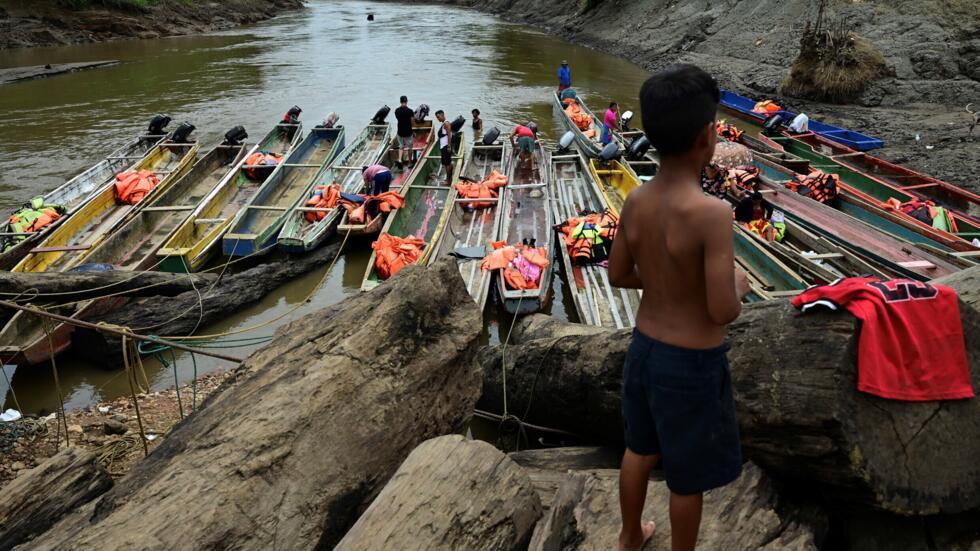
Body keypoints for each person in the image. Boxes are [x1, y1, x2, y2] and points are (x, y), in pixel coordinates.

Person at [608, 64, 749, 551]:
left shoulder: (637, 199)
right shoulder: (714, 213)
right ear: (708, 138)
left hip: (644, 350)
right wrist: (740, 283)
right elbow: (721, 310)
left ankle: (630, 536)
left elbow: (619, 274)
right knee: (687, 478)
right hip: (692, 364)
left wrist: (666, 282)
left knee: (638, 449)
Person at [394, 96, 414, 169]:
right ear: (407, 101)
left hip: (400, 131)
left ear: (400, 101)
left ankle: (400, 160)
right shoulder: (410, 111)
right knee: (410, 147)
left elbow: (398, 118)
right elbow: (412, 122)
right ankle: (409, 163)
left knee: (401, 146)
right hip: (408, 132)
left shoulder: (397, 110)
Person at [435, 110, 454, 187]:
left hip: (446, 146)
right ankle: (448, 178)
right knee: (447, 164)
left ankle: (449, 180)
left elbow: (449, 135)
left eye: (438, 117)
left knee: (447, 164)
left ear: (442, 115)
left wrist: (449, 146)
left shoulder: (446, 123)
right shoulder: (444, 124)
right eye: (437, 118)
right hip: (443, 146)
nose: (438, 119)